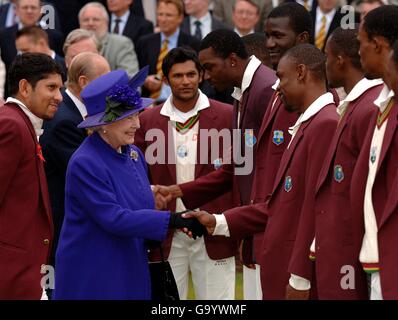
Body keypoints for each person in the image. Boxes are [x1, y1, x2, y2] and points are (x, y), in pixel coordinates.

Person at [159, 3, 312, 299]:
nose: (204, 76)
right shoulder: (244, 92)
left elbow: (279, 171)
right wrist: (178, 190)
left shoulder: (267, 89)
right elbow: (238, 166)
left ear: (231, 60)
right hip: (255, 227)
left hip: (271, 228)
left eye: (209, 67)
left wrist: (245, 225)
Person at [184, 44, 339, 300]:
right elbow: (280, 205)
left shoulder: (325, 123)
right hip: (280, 267)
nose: (276, 87)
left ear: (301, 72)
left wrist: (300, 277)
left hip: (297, 273)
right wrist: (219, 222)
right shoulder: (307, 124)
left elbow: (315, 211)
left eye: (281, 77)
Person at [53, 67, 205, 300]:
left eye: (137, 115)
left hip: (129, 261)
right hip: (95, 270)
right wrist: (172, 220)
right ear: (102, 124)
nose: (137, 124)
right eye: (128, 117)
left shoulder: (133, 154)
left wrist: (158, 225)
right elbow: (113, 217)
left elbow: (140, 207)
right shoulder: (85, 162)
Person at [135, 47, 237, 300]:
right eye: (178, 76)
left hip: (212, 228)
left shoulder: (228, 115)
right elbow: (136, 173)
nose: (186, 81)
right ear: (167, 80)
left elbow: (235, 174)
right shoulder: (146, 119)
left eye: (191, 74)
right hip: (165, 230)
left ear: (201, 75)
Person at [302, 26, 383, 300]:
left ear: (339, 60)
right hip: (339, 245)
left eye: (326, 57)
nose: (324, 65)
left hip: (355, 247)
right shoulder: (353, 104)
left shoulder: (370, 106)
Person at [0, 53, 64, 299]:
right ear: (25, 87)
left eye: (60, 88)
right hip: (11, 274)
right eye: (51, 87)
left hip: (25, 271)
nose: (59, 97)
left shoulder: (20, 123)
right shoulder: (11, 125)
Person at [40, 52, 111, 271]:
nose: (110, 88)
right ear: (84, 82)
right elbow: (91, 173)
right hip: (64, 227)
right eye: (105, 80)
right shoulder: (65, 121)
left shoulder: (75, 113)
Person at [351, 5, 398, 300]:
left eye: (360, 43)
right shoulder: (381, 105)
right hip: (375, 260)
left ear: (378, 44)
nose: (358, 52)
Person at [136, 0, 200, 102]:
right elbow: (137, 74)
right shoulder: (144, 42)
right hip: (150, 103)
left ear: (180, 18)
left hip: (182, 102)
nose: (163, 19)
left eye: (169, 15)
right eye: (160, 14)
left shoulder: (193, 44)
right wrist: (145, 81)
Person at [79, 2, 139, 77]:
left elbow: (130, 78)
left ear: (106, 23)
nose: (90, 23)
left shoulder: (122, 44)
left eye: (96, 19)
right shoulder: (74, 44)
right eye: (86, 20)